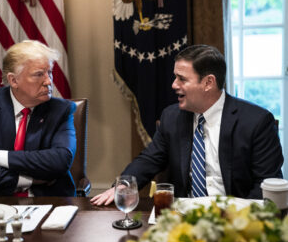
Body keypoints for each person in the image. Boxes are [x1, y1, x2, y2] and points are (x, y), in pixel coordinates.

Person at [91, 44, 283, 205]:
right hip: (183, 217)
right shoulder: (171, 117)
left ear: (208, 83)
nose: (174, 85)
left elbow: (266, 186)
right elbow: (149, 159)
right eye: (175, 77)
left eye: (182, 79)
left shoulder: (256, 122)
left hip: (235, 220)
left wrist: (232, 219)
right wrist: (124, 185)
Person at [0, 40, 77, 197]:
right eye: (39, 74)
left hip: (47, 200)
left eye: (49, 72)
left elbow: (60, 160)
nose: (48, 81)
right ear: (13, 80)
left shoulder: (61, 110)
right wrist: (29, 180)